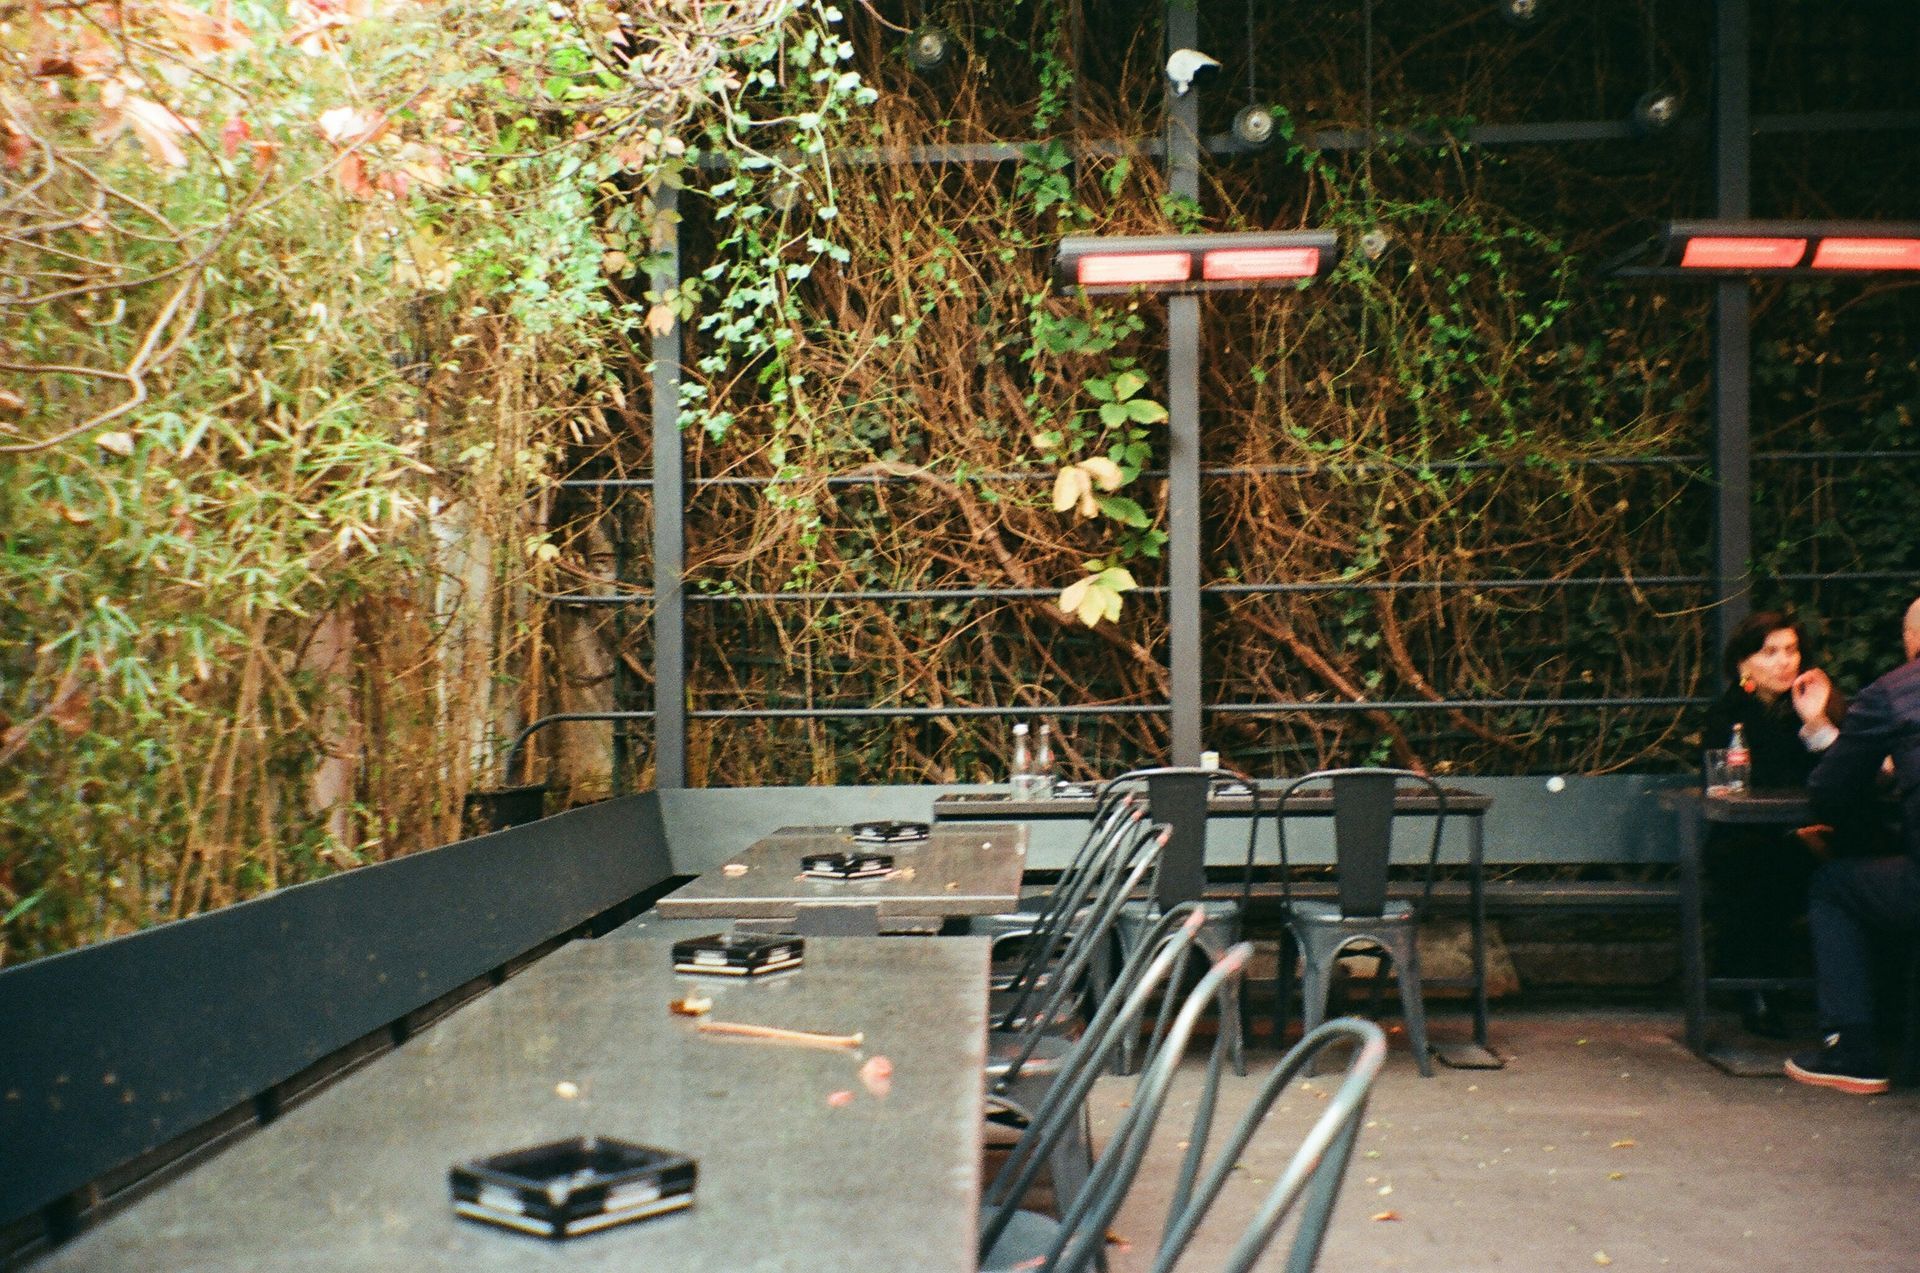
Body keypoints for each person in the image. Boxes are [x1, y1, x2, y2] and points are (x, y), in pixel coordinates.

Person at [1785, 597, 1920, 1095]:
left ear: (1910, 641)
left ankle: (1854, 1051)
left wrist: (1821, 730)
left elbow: (1832, 790)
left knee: (1835, 885)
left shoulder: (1893, 692)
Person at [1699, 611, 1842, 1037]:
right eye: (1770, 652)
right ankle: (1758, 989)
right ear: (1744, 664)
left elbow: (1843, 772)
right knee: (1758, 864)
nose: (1784, 662)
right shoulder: (1726, 717)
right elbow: (1728, 788)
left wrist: (1816, 720)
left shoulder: (1818, 702)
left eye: (1792, 650)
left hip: (1817, 832)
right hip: (1750, 838)